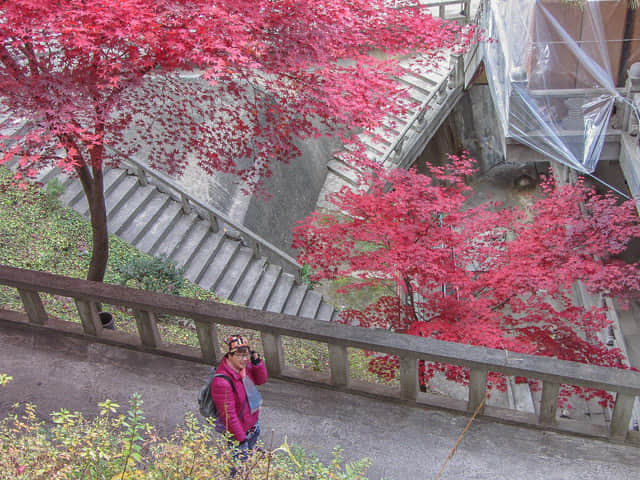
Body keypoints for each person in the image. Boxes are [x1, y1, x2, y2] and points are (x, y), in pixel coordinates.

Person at [211, 334, 268, 469]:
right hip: (239, 433)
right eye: (239, 355)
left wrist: (257, 363)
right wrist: (241, 439)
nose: (244, 359)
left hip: (252, 424)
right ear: (229, 355)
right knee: (238, 468)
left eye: (246, 355)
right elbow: (228, 415)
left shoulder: (245, 368)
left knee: (248, 457)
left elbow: (261, 380)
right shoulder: (222, 382)